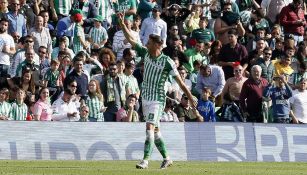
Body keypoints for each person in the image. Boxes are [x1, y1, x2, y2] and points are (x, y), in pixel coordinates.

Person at [117, 12, 198, 169]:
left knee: (149, 129)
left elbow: (181, 83)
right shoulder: (145, 53)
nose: (146, 43)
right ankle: (167, 158)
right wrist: (122, 24)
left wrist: (190, 96)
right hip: (146, 96)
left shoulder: (167, 62)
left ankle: (145, 160)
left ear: (157, 44)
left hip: (157, 99)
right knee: (156, 132)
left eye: (149, 41)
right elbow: (131, 40)